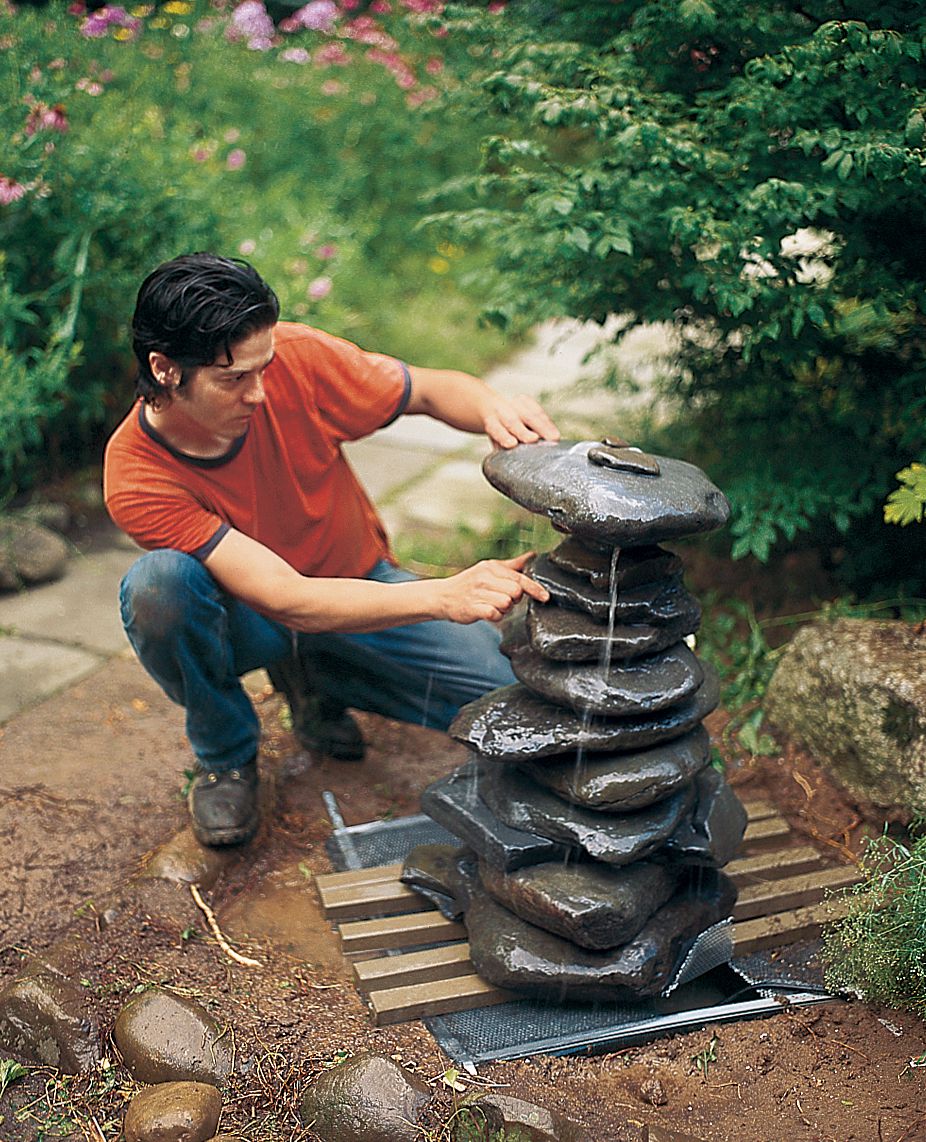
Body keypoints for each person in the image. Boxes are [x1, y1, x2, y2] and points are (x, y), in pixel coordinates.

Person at [103, 252, 560, 847]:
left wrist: (491, 408)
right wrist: (444, 595)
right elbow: (286, 598)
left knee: (521, 702)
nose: (260, 393)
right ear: (166, 370)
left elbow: (428, 390)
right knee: (158, 588)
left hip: (359, 582)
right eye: (234, 378)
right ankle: (226, 754)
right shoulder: (138, 476)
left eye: (263, 368)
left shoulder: (293, 356)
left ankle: (319, 677)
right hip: (257, 617)